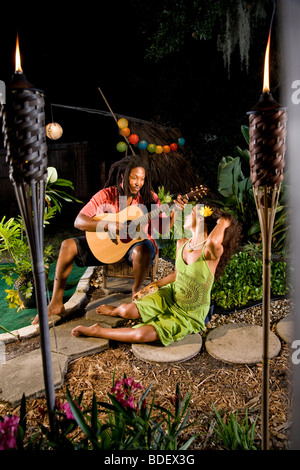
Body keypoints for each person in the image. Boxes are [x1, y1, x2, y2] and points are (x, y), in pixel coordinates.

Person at [32, 154, 185, 324]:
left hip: (137, 248)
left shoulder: (149, 198)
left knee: (143, 247)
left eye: (142, 178)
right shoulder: (106, 195)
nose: (138, 183)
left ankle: (136, 292)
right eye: (134, 177)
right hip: (109, 245)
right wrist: (108, 226)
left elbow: (162, 229)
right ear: (123, 176)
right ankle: (56, 303)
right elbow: (79, 221)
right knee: (67, 245)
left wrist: (175, 211)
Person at [71, 204, 242, 345]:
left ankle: (99, 331)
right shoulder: (182, 243)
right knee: (127, 311)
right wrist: (154, 286)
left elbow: (212, 239)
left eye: (190, 213)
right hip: (170, 295)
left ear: (201, 219)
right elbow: (178, 274)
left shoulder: (211, 252)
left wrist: (225, 221)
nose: (186, 215)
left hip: (189, 314)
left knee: (140, 336)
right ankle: (117, 311)